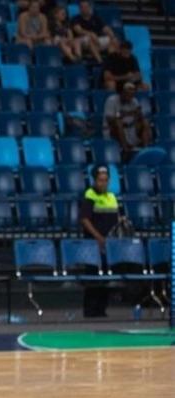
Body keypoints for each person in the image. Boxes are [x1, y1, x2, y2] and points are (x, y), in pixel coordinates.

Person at [79, 165, 119, 317]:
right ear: (95, 180)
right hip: (92, 244)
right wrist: (98, 237)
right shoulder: (90, 195)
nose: (103, 183)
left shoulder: (111, 197)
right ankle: (89, 310)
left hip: (109, 244)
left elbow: (115, 218)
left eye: (106, 180)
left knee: (106, 276)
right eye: (101, 180)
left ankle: (101, 309)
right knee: (93, 276)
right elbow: (85, 219)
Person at [104, 82, 152, 163]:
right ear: (122, 92)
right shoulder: (111, 100)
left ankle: (145, 149)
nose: (131, 95)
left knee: (145, 122)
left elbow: (139, 116)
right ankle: (126, 150)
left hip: (130, 129)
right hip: (113, 131)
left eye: (132, 92)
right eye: (128, 92)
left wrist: (138, 114)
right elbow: (110, 119)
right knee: (118, 123)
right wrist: (126, 115)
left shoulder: (134, 101)